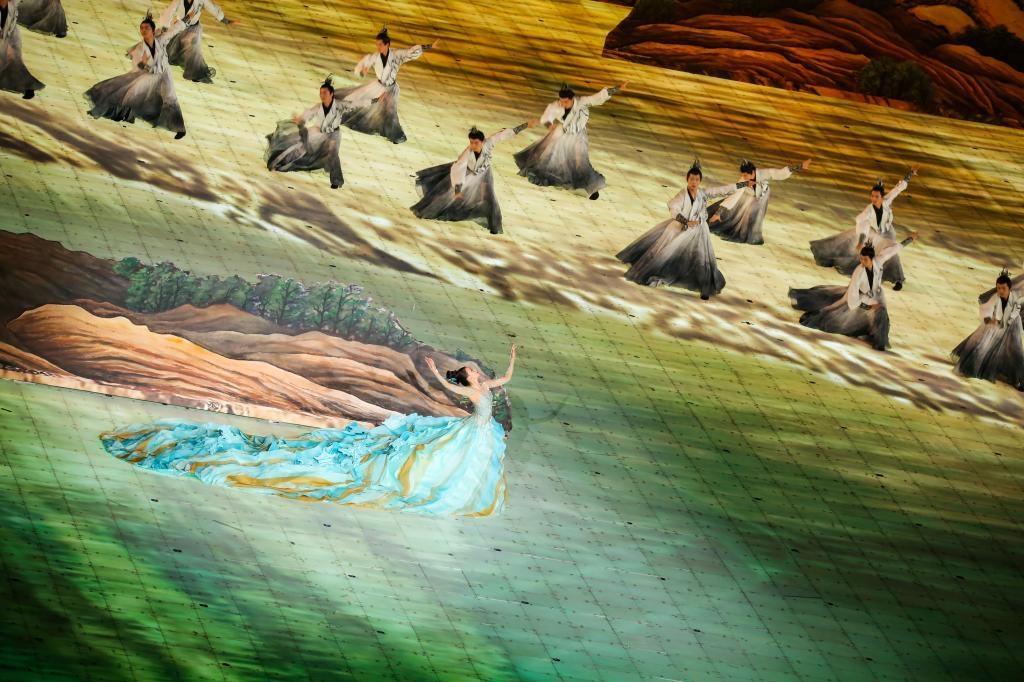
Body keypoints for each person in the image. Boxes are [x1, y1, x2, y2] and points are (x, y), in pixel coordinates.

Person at [99, 345, 518, 517]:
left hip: (477, 432)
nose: (477, 373)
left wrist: (513, 356)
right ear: (468, 378)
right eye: (472, 372)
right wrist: (433, 372)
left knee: (468, 466)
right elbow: (448, 386)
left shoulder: (484, 386)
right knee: (439, 462)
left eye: (474, 370)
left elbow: (506, 379)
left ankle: (457, 491)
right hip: (470, 430)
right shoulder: (470, 390)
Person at [616, 160, 750, 300]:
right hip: (679, 228)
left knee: (702, 258)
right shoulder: (682, 195)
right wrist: (686, 221)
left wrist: (745, 184)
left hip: (699, 230)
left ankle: (705, 287)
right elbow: (673, 208)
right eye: (692, 179)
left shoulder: (703, 194)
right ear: (687, 179)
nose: (694, 182)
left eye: (697, 180)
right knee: (665, 253)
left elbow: (724, 190)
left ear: (700, 181)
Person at [790, 234, 918, 350]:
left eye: (865, 259)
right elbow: (852, 296)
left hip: (877, 295)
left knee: (881, 313)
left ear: (872, 258)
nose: (862, 262)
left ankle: (879, 340)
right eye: (861, 259)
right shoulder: (859, 271)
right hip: (861, 298)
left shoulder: (879, 260)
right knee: (840, 316)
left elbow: (894, 249)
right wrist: (868, 307)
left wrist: (910, 239)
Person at [411, 120, 537, 235]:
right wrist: (457, 189)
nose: (473, 145)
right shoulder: (467, 153)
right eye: (471, 142)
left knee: (489, 198)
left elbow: (505, 134)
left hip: (485, 174)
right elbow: (458, 168)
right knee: (447, 194)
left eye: (476, 142)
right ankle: (430, 210)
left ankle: (494, 225)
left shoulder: (489, 143)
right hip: (468, 174)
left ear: (482, 141)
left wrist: (526, 125)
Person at [513, 81, 627, 200]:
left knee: (580, 161)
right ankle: (549, 177)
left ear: (572, 99)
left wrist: (617, 88)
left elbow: (599, 97)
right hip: (562, 133)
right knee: (550, 157)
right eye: (561, 101)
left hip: (578, 135)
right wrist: (550, 126)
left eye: (566, 102)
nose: (563, 104)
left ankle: (590, 187)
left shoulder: (582, 102)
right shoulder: (556, 105)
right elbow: (547, 117)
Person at [811, 167, 919, 290]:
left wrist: (910, 173)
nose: (873, 199)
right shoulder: (868, 211)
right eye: (872, 196)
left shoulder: (887, 200)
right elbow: (862, 223)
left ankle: (898, 279)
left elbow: (899, 188)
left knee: (892, 253)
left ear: (882, 197)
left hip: (888, 233)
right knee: (852, 242)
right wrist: (861, 241)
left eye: (876, 197)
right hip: (874, 233)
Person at [85, 12, 188, 139]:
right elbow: (137, 67)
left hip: (165, 73)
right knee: (130, 94)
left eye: (147, 28)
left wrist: (186, 20)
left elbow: (174, 30)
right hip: (149, 75)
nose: (144, 30)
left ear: (153, 30)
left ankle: (179, 128)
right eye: (142, 28)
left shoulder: (161, 40)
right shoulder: (140, 48)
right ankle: (115, 112)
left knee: (170, 98)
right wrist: (142, 64)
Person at [335, 26, 439, 144]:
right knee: (357, 99)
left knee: (390, 111)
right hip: (378, 87)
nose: (378, 47)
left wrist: (430, 46)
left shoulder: (396, 55)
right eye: (377, 44)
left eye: (380, 44)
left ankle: (395, 135)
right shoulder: (375, 57)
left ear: (387, 44)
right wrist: (362, 71)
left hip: (391, 89)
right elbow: (363, 65)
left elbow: (411, 52)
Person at [266, 75, 345, 189]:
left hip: (334, 134)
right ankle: (279, 162)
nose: (322, 95)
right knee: (299, 144)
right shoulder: (319, 107)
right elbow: (309, 113)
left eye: (325, 93)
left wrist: (370, 100)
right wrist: (300, 119)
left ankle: (336, 180)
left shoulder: (339, 106)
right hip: (318, 132)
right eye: (321, 93)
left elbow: (355, 104)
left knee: (333, 153)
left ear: (331, 94)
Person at [708, 158, 810, 244]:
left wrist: (800, 166)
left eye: (746, 175)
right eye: (743, 175)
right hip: (748, 194)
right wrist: (718, 213)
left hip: (761, 195)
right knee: (737, 210)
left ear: (753, 172)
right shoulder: (743, 180)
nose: (744, 177)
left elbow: (780, 173)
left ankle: (745, 234)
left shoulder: (764, 174)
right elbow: (734, 195)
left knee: (752, 214)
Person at [952, 270, 1024, 391]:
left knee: (1016, 351)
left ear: (1009, 288)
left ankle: (1019, 380)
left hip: (1012, 327)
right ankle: (972, 367)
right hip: (996, 327)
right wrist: (990, 320)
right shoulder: (996, 298)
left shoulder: (1015, 298)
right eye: (998, 288)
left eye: (1003, 288)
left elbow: (1016, 311)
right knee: (983, 347)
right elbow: (987, 309)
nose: (1001, 291)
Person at [158, 0, 236, 83]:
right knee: (171, 47)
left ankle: (195, 74)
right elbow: (170, 11)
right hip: (180, 26)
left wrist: (223, 19)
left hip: (193, 28)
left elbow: (211, 7)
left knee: (193, 50)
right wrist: (165, 27)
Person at [0, 0, 45, 99]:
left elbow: (12, 21)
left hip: (8, 38)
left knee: (15, 65)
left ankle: (28, 88)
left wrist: (8, 44)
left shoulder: (11, 6)